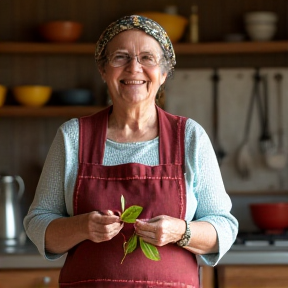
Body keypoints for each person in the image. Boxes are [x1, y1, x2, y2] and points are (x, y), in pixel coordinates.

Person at [24, 15, 238, 288]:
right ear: (103, 70)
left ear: (163, 73)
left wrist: (180, 232)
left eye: (147, 58)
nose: (134, 68)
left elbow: (224, 227)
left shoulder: (190, 136)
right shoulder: (73, 136)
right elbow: (38, 223)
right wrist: (81, 227)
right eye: (120, 57)